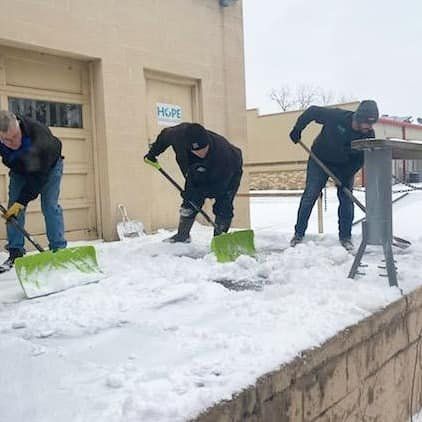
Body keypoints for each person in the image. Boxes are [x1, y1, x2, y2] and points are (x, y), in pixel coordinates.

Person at [289, 100, 379, 251]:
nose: (369, 127)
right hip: (320, 159)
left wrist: (346, 176)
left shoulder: (368, 135)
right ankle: (298, 234)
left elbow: (361, 159)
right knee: (310, 195)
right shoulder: (337, 117)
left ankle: (345, 237)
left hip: (345, 167)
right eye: (367, 123)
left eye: (372, 124)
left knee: (346, 198)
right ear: (358, 118)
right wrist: (297, 129)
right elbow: (312, 111)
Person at [144, 122, 243, 243]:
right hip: (195, 172)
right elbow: (164, 137)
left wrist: (193, 193)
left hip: (228, 174)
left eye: (203, 149)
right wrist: (152, 154)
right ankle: (182, 236)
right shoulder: (177, 135)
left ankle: (220, 239)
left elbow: (217, 189)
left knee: (223, 205)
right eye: (196, 151)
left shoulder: (224, 155)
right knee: (189, 204)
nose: (201, 153)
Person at [0, 110, 66, 272]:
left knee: (49, 206)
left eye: (16, 136)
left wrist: (21, 202)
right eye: (7, 140)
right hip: (19, 169)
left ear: (18, 125)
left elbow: (37, 180)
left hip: (48, 168)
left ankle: (58, 250)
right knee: (13, 211)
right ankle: (15, 252)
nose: (13, 142)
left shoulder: (39, 138)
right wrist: (16, 205)